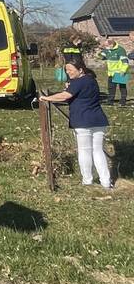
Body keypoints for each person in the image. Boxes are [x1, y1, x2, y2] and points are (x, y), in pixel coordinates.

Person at [40, 59, 112, 189]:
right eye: (66, 70)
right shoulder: (92, 80)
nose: (68, 73)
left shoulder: (78, 82)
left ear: (80, 70)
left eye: (71, 70)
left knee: (84, 151)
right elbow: (79, 94)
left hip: (82, 120)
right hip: (98, 120)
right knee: (98, 151)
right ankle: (106, 182)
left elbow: (64, 96)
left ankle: (87, 180)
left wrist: (46, 98)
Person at [98, 36, 129, 106]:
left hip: (120, 72)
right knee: (111, 88)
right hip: (111, 73)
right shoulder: (107, 50)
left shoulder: (120, 50)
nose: (106, 47)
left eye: (107, 46)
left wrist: (123, 71)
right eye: (105, 46)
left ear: (111, 45)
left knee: (122, 87)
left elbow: (125, 61)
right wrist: (100, 52)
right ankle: (110, 101)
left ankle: (123, 101)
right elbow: (101, 57)